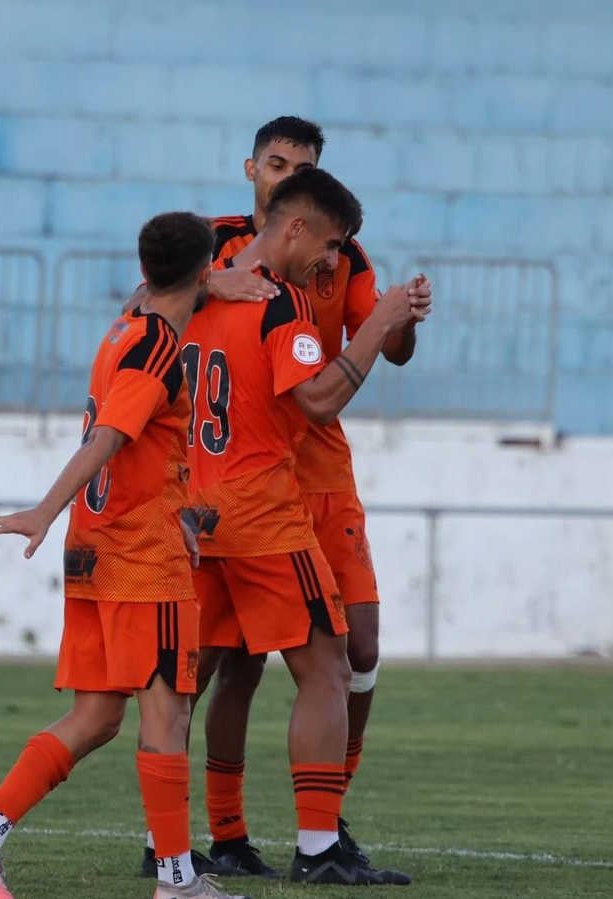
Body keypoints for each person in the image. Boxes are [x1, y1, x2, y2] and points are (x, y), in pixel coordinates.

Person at [0, 212, 247, 899]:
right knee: (165, 715)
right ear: (202, 276)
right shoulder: (159, 347)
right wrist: (43, 510)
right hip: (141, 556)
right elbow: (108, 436)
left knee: (98, 715)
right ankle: (177, 881)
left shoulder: (122, 328)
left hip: (98, 549)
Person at [180, 115, 421, 883]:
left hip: (316, 479)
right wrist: (205, 281)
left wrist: (397, 322)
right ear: (250, 167)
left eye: (299, 165)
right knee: (235, 667)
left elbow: (388, 345)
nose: (283, 174)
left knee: (358, 649)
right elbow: (147, 299)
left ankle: (325, 820)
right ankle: (229, 831)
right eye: (274, 162)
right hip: (248, 482)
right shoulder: (211, 245)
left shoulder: (341, 252)